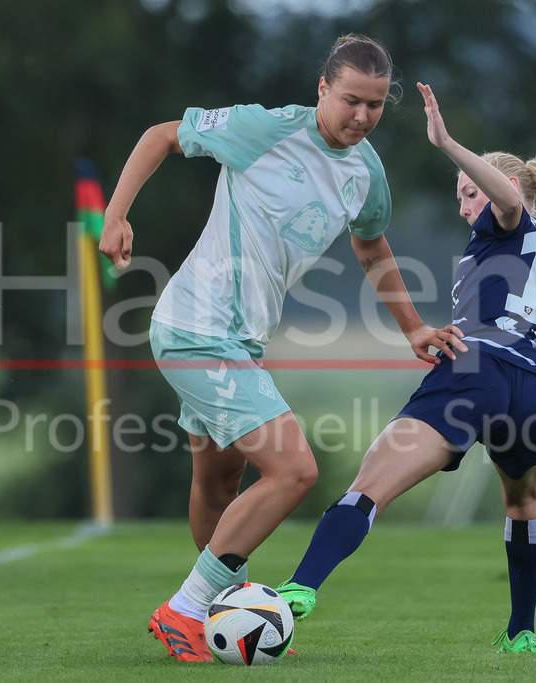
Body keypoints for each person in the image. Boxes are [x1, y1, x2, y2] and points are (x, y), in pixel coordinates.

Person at [99, 36, 466, 663]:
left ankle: (226, 613)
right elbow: (163, 134)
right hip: (195, 328)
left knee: (218, 482)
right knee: (294, 469)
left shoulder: (366, 173)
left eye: (375, 106)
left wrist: (411, 329)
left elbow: (372, 248)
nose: (361, 117)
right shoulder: (260, 129)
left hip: (240, 342)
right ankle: (184, 611)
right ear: (322, 89)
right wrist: (117, 214)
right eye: (351, 100)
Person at [276, 82, 536, 654]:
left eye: (469, 192)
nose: (464, 205)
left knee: (369, 488)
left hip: (477, 370)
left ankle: (299, 589)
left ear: (501, 188)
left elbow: (506, 202)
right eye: (460, 195)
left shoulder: (509, 222)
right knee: (523, 501)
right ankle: (522, 633)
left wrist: (448, 143)